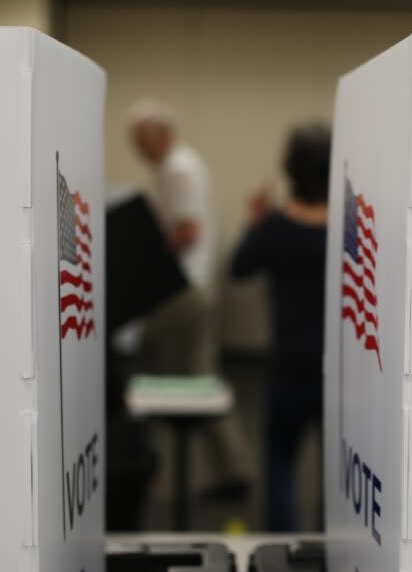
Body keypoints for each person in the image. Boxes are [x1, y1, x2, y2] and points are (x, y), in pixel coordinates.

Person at [128, 98, 251, 502]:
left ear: (160, 135)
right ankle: (228, 468)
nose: (137, 148)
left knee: (151, 358)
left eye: (140, 140)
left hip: (187, 288)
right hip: (193, 286)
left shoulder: (178, 168)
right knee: (198, 375)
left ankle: (150, 464)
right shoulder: (176, 166)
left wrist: (147, 253)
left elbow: (188, 231)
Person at [229, 121, 330, 531]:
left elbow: (239, 267)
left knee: (279, 461)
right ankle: (333, 545)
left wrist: (254, 220)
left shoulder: (275, 226)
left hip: (288, 362)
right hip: (336, 366)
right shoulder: (350, 228)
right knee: (336, 468)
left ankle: (282, 548)